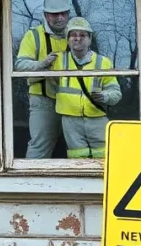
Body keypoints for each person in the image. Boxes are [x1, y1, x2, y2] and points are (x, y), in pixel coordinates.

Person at [52, 17, 122, 159]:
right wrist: (41, 64)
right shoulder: (57, 61)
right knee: (77, 156)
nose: (77, 39)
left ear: (90, 39)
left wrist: (104, 96)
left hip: (96, 118)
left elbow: (116, 93)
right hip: (70, 120)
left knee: (104, 156)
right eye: (73, 35)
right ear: (67, 39)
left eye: (82, 35)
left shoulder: (103, 62)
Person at [15, 0, 72, 159]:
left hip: (73, 99)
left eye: (63, 13)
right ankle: (29, 184)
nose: (59, 17)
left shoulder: (76, 34)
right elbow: (19, 66)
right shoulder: (34, 35)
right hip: (43, 99)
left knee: (78, 147)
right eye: (55, 14)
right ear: (46, 15)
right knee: (40, 145)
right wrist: (42, 65)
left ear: (68, 13)